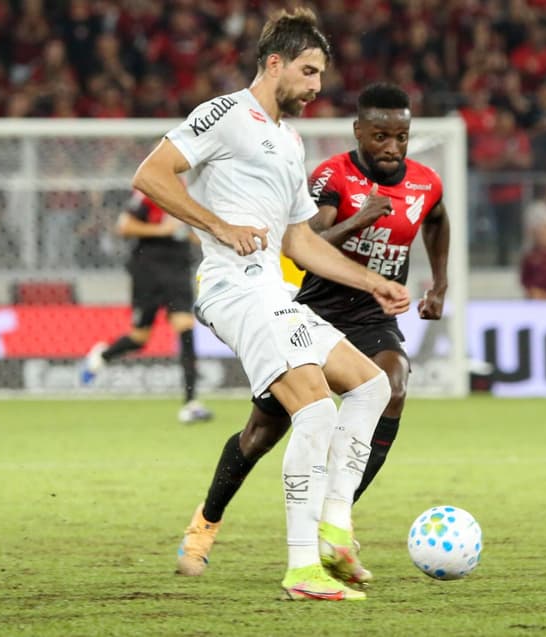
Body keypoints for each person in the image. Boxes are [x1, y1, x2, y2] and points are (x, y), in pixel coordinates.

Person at [131, 9, 411, 601]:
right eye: (308, 72)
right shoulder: (226, 114)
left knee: (370, 386)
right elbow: (151, 174)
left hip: (273, 290)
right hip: (233, 288)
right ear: (275, 62)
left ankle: (335, 525)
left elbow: (301, 240)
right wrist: (217, 224)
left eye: (321, 75)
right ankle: (303, 567)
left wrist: (370, 282)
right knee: (314, 410)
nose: (316, 87)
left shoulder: (289, 140)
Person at [174, 83, 449, 582]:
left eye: (402, 137)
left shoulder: (426, 182)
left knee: (389, 384)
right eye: (381, 136)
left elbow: (437, 220)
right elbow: (303, 242)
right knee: (262, 433)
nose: (392, 147)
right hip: (315, 307)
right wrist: (360, 219)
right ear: (359, 132)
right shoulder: (332, 176)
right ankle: (207, 520)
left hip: (371, 316)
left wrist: (440, 284)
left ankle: (334, 525)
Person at [79, 188, 212, 424]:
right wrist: (162, 230)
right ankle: (104, 355)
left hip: (178, 269)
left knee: (185, 328)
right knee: (139, 338)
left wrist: (195, 234)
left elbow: (196, 234)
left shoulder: (195, 194)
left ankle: (191, 403)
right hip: (148, 270)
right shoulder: (151, 193)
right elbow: (124, 226)